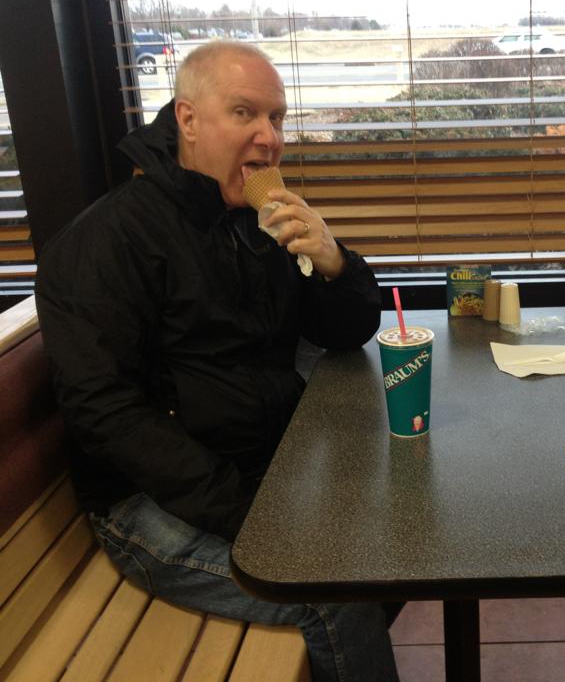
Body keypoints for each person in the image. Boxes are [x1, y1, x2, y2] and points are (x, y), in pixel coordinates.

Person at [35, 41, 399, 681]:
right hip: (149, 504)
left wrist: (334, 262)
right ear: (189, 120)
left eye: (277, 118)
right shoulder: (106, 241)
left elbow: (346, 332)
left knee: (392, 539)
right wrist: (253, 514)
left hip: (261, 468)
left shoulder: (260, 220)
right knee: (337, 598)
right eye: (244, 113)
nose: (270, 138)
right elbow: (106, 414)